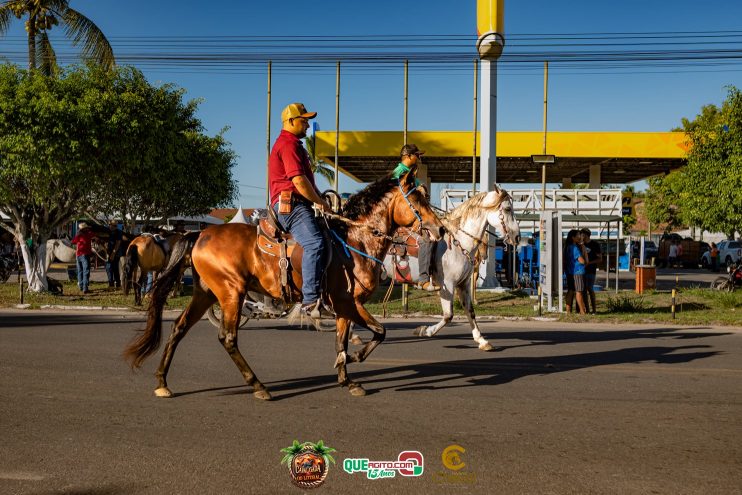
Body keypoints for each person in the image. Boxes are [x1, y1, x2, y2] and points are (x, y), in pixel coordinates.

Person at [269, 102, 331, 317]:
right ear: (291, 121)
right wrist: (320, 203)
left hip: (296, 202)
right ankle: (310, 300)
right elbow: (298, 181)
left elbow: (306, 181)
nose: (307, 125)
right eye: (304, 120)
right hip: (291, 205)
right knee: (315, 243)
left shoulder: (294, 143)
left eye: (307, 121)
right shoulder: (288, 144)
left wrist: (320, 198)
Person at [390, 143, 439, 291]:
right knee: (426, 238)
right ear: (408, 156)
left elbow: (417, 188)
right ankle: (423, 279)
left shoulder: (410, 172)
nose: (419, 158)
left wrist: (421, 187)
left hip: (413, 215)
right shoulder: (399, 172)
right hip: (403, 219)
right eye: (417, 155)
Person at [563, 229, 587, 314]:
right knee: (579, 292)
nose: (580, 237)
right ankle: (582, 311)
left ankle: (568, 311)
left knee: (570, 291)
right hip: (578, 272)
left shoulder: (567, 246)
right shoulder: (574, 247)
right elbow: (581, 260)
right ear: (573, 237)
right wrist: (584, 260)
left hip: (569, 272)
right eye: (578, 235)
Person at [580, 228, 602, 314]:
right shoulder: (581, 244)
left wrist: (589, 263)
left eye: (581, 234)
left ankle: (594, 310)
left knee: (590, 288)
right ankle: (587, 309)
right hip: (581, 270)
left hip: (591, 270)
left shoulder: (595, 244)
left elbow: (600, 259)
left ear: (585, 235)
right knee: (584, 289)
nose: (580, 236)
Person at [71, 221, 97, 294]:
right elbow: (95, 236)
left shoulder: (78, 235)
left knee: (80, 271)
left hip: (78, 255)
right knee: (86, 271)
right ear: (85, 229)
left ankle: (81, 286)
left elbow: (73, 242)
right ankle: (85, 288)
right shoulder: (88, 234)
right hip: (85, 255)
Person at [105, 219, 124, 289]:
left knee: (114, 268)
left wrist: (113, 253)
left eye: (110, 225)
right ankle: (111, 284)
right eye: (109, 225)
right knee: (109, 268)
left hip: (116, 253)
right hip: (109, 252)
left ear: (114, 226)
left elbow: (118, 243)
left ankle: (117, 284)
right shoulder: (108, 232)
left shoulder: (118, 232)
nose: (109, 226)